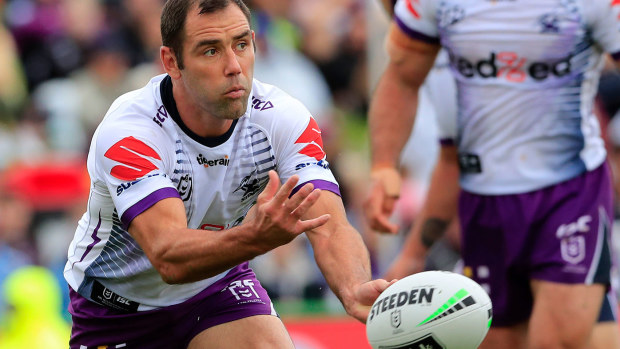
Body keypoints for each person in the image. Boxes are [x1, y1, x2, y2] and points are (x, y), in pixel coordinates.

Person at [63, 1, 393, 348]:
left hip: (214, 288)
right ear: (172, 62)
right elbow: (169, 255)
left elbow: (330, 225)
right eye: (210, 51)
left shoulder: (282, 117)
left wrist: (354, 288)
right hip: (117, 308)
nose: (234, 67)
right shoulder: (131, 133)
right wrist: (254, 238)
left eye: (241, 45)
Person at [364, 0, 620, 348]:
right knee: (495, 340)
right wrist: (383, 166)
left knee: (559, 340)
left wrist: (412, 251)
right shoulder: (434, 23)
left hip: (570, 192)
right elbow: (401, 78)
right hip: (485, 202)